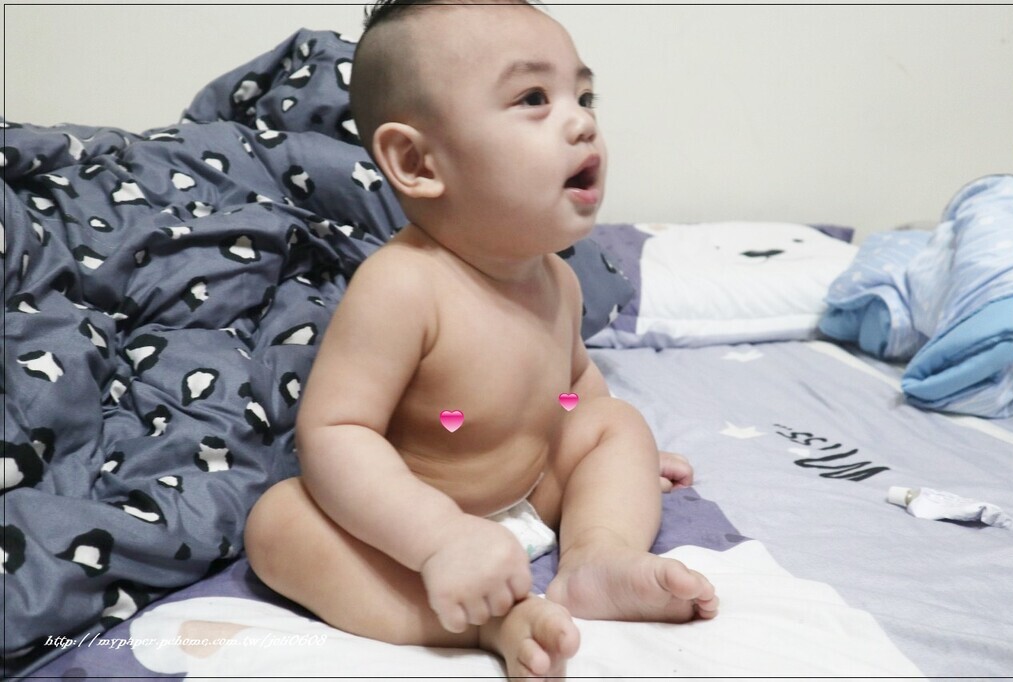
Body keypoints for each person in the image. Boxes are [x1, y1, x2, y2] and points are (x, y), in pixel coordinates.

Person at [244, 1, 718, 678]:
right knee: (279, 524)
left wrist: (617, 463)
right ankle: (486, 622)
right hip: (409, 533)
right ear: (417, 161)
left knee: (617, 423)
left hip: (530, 488)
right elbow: (336, 433)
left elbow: (574, 387)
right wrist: (439, 537)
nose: (582, 121)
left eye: (584, 97)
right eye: (534, 98)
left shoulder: (558, 279)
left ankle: (598, 557)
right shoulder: (403, 286)